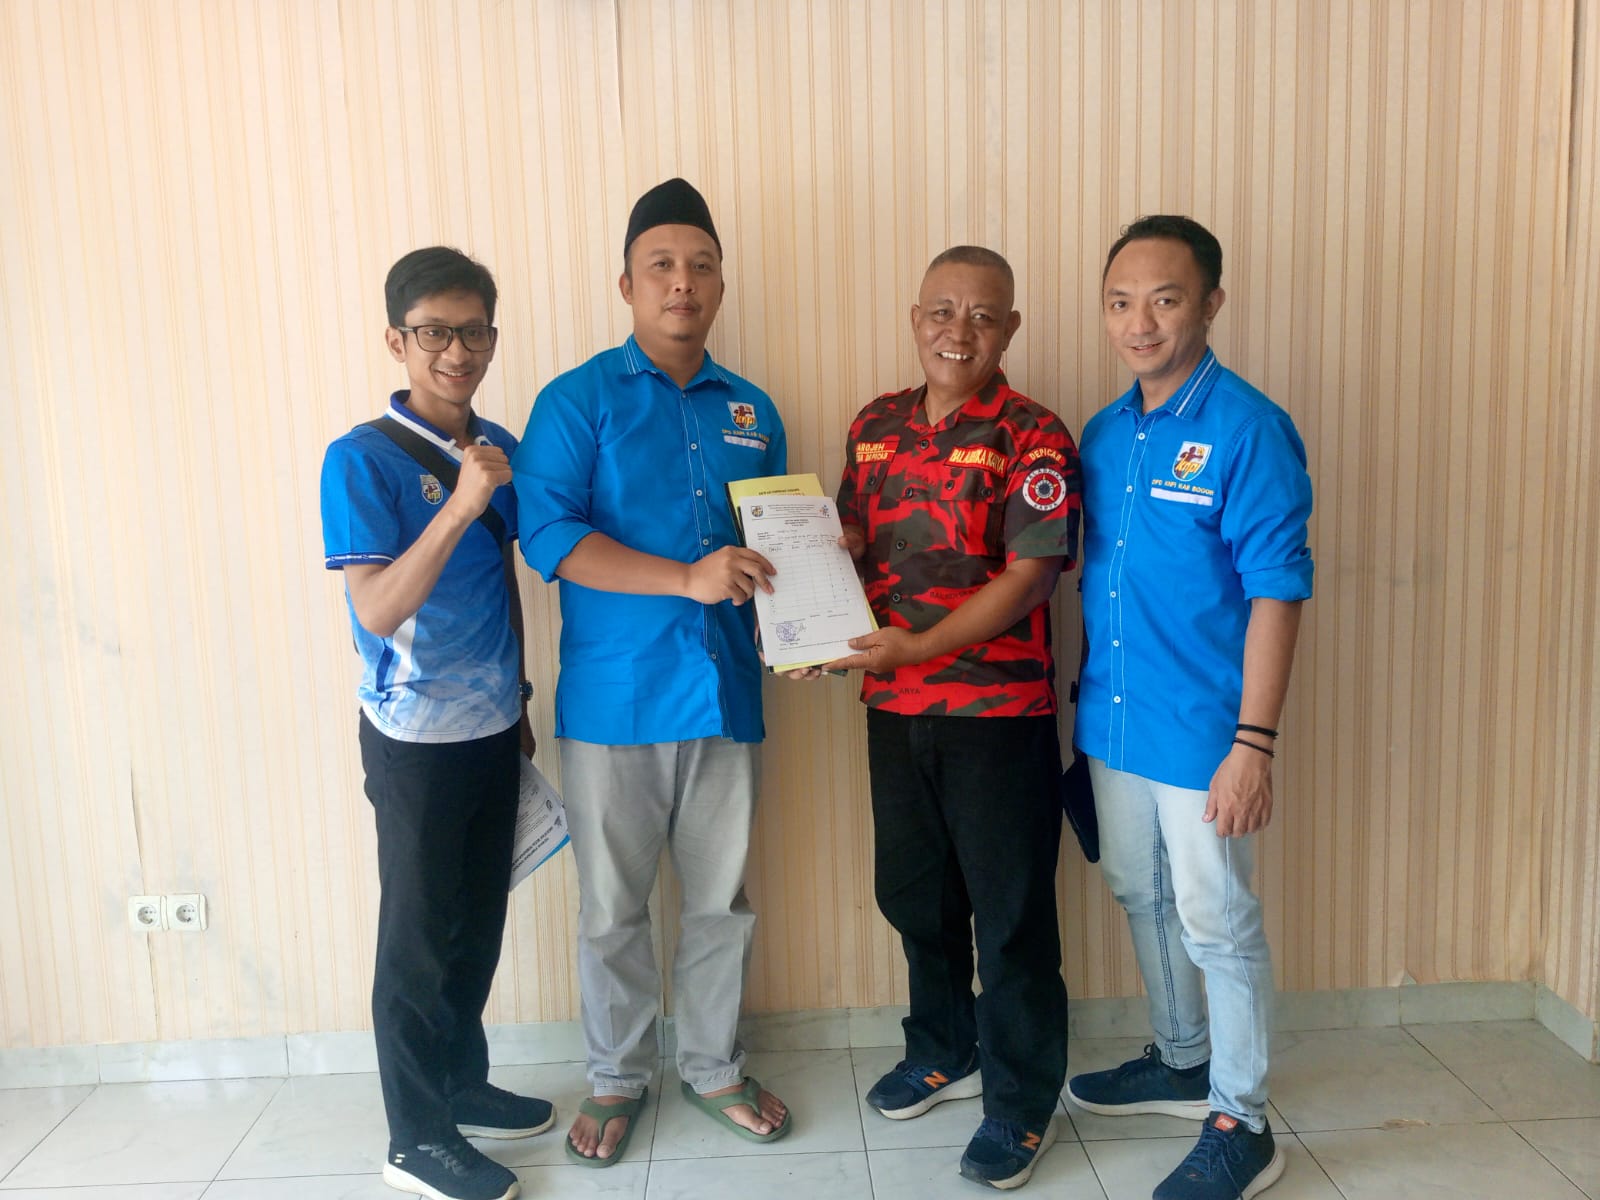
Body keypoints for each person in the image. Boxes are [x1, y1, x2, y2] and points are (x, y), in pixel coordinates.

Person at [511, 178, 792, 1168]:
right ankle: (617, 1076)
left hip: (724, 692)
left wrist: (802, 622)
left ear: (720, 284)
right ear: (626, 284)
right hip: (615, 701)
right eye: (662, 265)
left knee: (721, 904)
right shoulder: (575, 400)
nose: (683, 282)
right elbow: (549, 537)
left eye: (701, 265)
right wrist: (684, 577)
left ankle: (712, 1067)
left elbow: (770, 545)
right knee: (611, 911)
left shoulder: (752, 409)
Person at [818, 245, 1080, 1190]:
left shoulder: (1033, 435)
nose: (957, 331)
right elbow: (851, 537)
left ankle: (1019, 1102)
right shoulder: (875, 425)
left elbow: (1032, 575)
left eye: (981, 315)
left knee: (1009, 918)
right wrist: (825, 557)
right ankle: (943, 1047)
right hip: (894, 707)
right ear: (915, 317)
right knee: (916, 897)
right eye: (941, 310)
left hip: (996, 713)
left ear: (1009, 330)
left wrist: (923, 645)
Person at [1065, 215, 1314, 1200]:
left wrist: (1254, 745)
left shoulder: (1248, 429)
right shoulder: (1101, 433)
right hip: (1114, 720)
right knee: (1140, 891)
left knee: (1218, 919)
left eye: (1164, 300)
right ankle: (1180, 1058)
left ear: (1209, 304)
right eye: (1120, 302)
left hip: (1207, 732)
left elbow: (1278, 590)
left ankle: (1242, 1120)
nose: (1140, 323)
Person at [319, 246, 554, 1200]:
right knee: (417, 942)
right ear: (398, 340)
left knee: (477, 924)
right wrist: (461, 504)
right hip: (413, 738)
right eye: (435, 333)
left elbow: (505, 581)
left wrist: (521, 698)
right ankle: (414, 1139)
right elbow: (377, 608)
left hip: (494, 727)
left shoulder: (499, 443)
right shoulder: (360, 457)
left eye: (474, 332)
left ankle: (460, 1082)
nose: (457, 352)